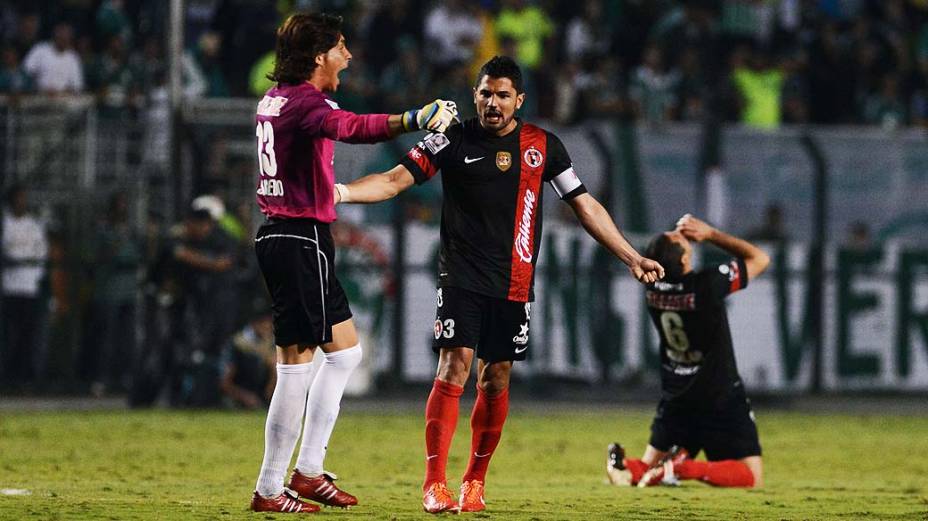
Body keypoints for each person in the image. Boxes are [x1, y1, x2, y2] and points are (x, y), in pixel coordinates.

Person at [334, 55, 664, 514]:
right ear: (475, 95)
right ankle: (434, 484)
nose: (493, 103)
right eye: (486, 93)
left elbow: (584, 204)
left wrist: (631, 255)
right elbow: (393, 181)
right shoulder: (450, 137)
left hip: (514, 280)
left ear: (519, 100)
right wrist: (342, 192)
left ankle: (474, 480)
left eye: (503, 95)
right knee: (455, 366)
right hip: (461, 275)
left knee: (496, 377)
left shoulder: (542, 146)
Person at [248, 12, 458, 514]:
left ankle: (308, 472)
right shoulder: (306, 103)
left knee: (343, 355)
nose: (349, 55)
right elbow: (352, 127)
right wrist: (414, 118)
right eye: (341, 47)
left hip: (290, 235)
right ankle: (272, 486)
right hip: (300, 239)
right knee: (296, 366)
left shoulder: (274, 99)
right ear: (319, 56)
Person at [606, 213, 770, 489]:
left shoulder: (652, 289)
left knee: (647, 469)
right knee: (750, 476)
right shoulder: (707, 284)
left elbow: (667, 273)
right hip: (719, 394)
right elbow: (759, 259)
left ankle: (622, 465)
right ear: (683, 260)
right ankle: (683, 468)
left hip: (677, 394)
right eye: (679, 238)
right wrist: (711, 234)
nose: (681, 234)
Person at [1, 184, 48, 388]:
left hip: (29, 289)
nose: (22, 202)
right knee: (7, 336)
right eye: (18, 198)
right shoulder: (4, 224)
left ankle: (23, 379)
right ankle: (5, 377)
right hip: (8, 288)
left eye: (24, 198)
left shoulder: (33, 225)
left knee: (27, 336)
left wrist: (30, 270)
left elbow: (40, 254)